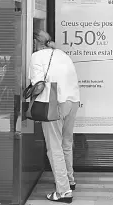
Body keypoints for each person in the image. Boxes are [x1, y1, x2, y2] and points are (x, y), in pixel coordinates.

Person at [29, 29, 80, 203]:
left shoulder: (36, 56)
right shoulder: (62, 54)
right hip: (73, 101)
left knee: (54, 148)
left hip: (54, 104)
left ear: (36, 42)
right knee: (66, 143)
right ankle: (70, 180)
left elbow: (37, 84)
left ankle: (64, 192)